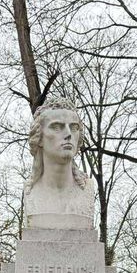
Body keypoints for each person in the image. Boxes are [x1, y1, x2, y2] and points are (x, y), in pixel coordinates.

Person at [22, 97, 97, 227]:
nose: (68, 134)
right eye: (57, 127)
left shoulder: (87, 189)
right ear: (39, 137)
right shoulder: (31, 192)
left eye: (74, 128)